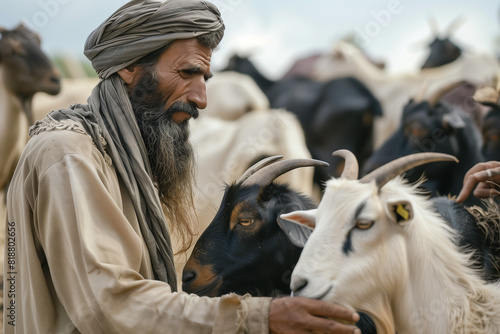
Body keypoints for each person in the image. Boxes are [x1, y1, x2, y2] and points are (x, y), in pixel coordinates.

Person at [4, 0, 361, 333]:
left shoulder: (123, 154)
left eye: (204, 79)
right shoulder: (69, 154)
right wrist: (258, 317)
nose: (201, 99)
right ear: (130, 66)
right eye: (188, 72)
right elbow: (106, 304)